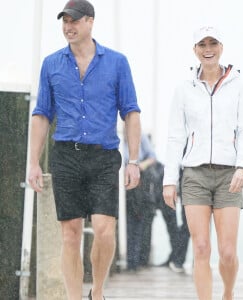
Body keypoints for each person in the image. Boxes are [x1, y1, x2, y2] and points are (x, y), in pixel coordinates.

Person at [28, 0, 141, 299]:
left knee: (104, 231)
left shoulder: (117, 62)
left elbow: (130, 112)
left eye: (74, 20)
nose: (69, 26)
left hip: (104, 157)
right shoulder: (51, 64)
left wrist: (134, 160)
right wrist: (33, 162)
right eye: (65, 21)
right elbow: (41, 114)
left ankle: (98, 292)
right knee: (70, 234)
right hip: (66, 155)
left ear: (90, 22)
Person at [163, 25, 243, 300]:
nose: (208, 49)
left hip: (229, 175)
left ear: (221, 47)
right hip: (194, 176)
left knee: (227, 252)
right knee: (201, 247)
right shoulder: (184, 89)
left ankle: (228, 293)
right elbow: (175, 137)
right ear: (195, 50)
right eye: (202, 44)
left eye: (213, 43)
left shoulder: (239, 85)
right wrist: (169, 180)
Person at [124, 133, 157, 271]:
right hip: (121, 185)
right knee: (130, 223)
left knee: (137, 222)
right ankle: (132, 259)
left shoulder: (141, 137)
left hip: (138, 185)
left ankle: (135, 260)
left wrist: (139, 166)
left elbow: (152, 158)